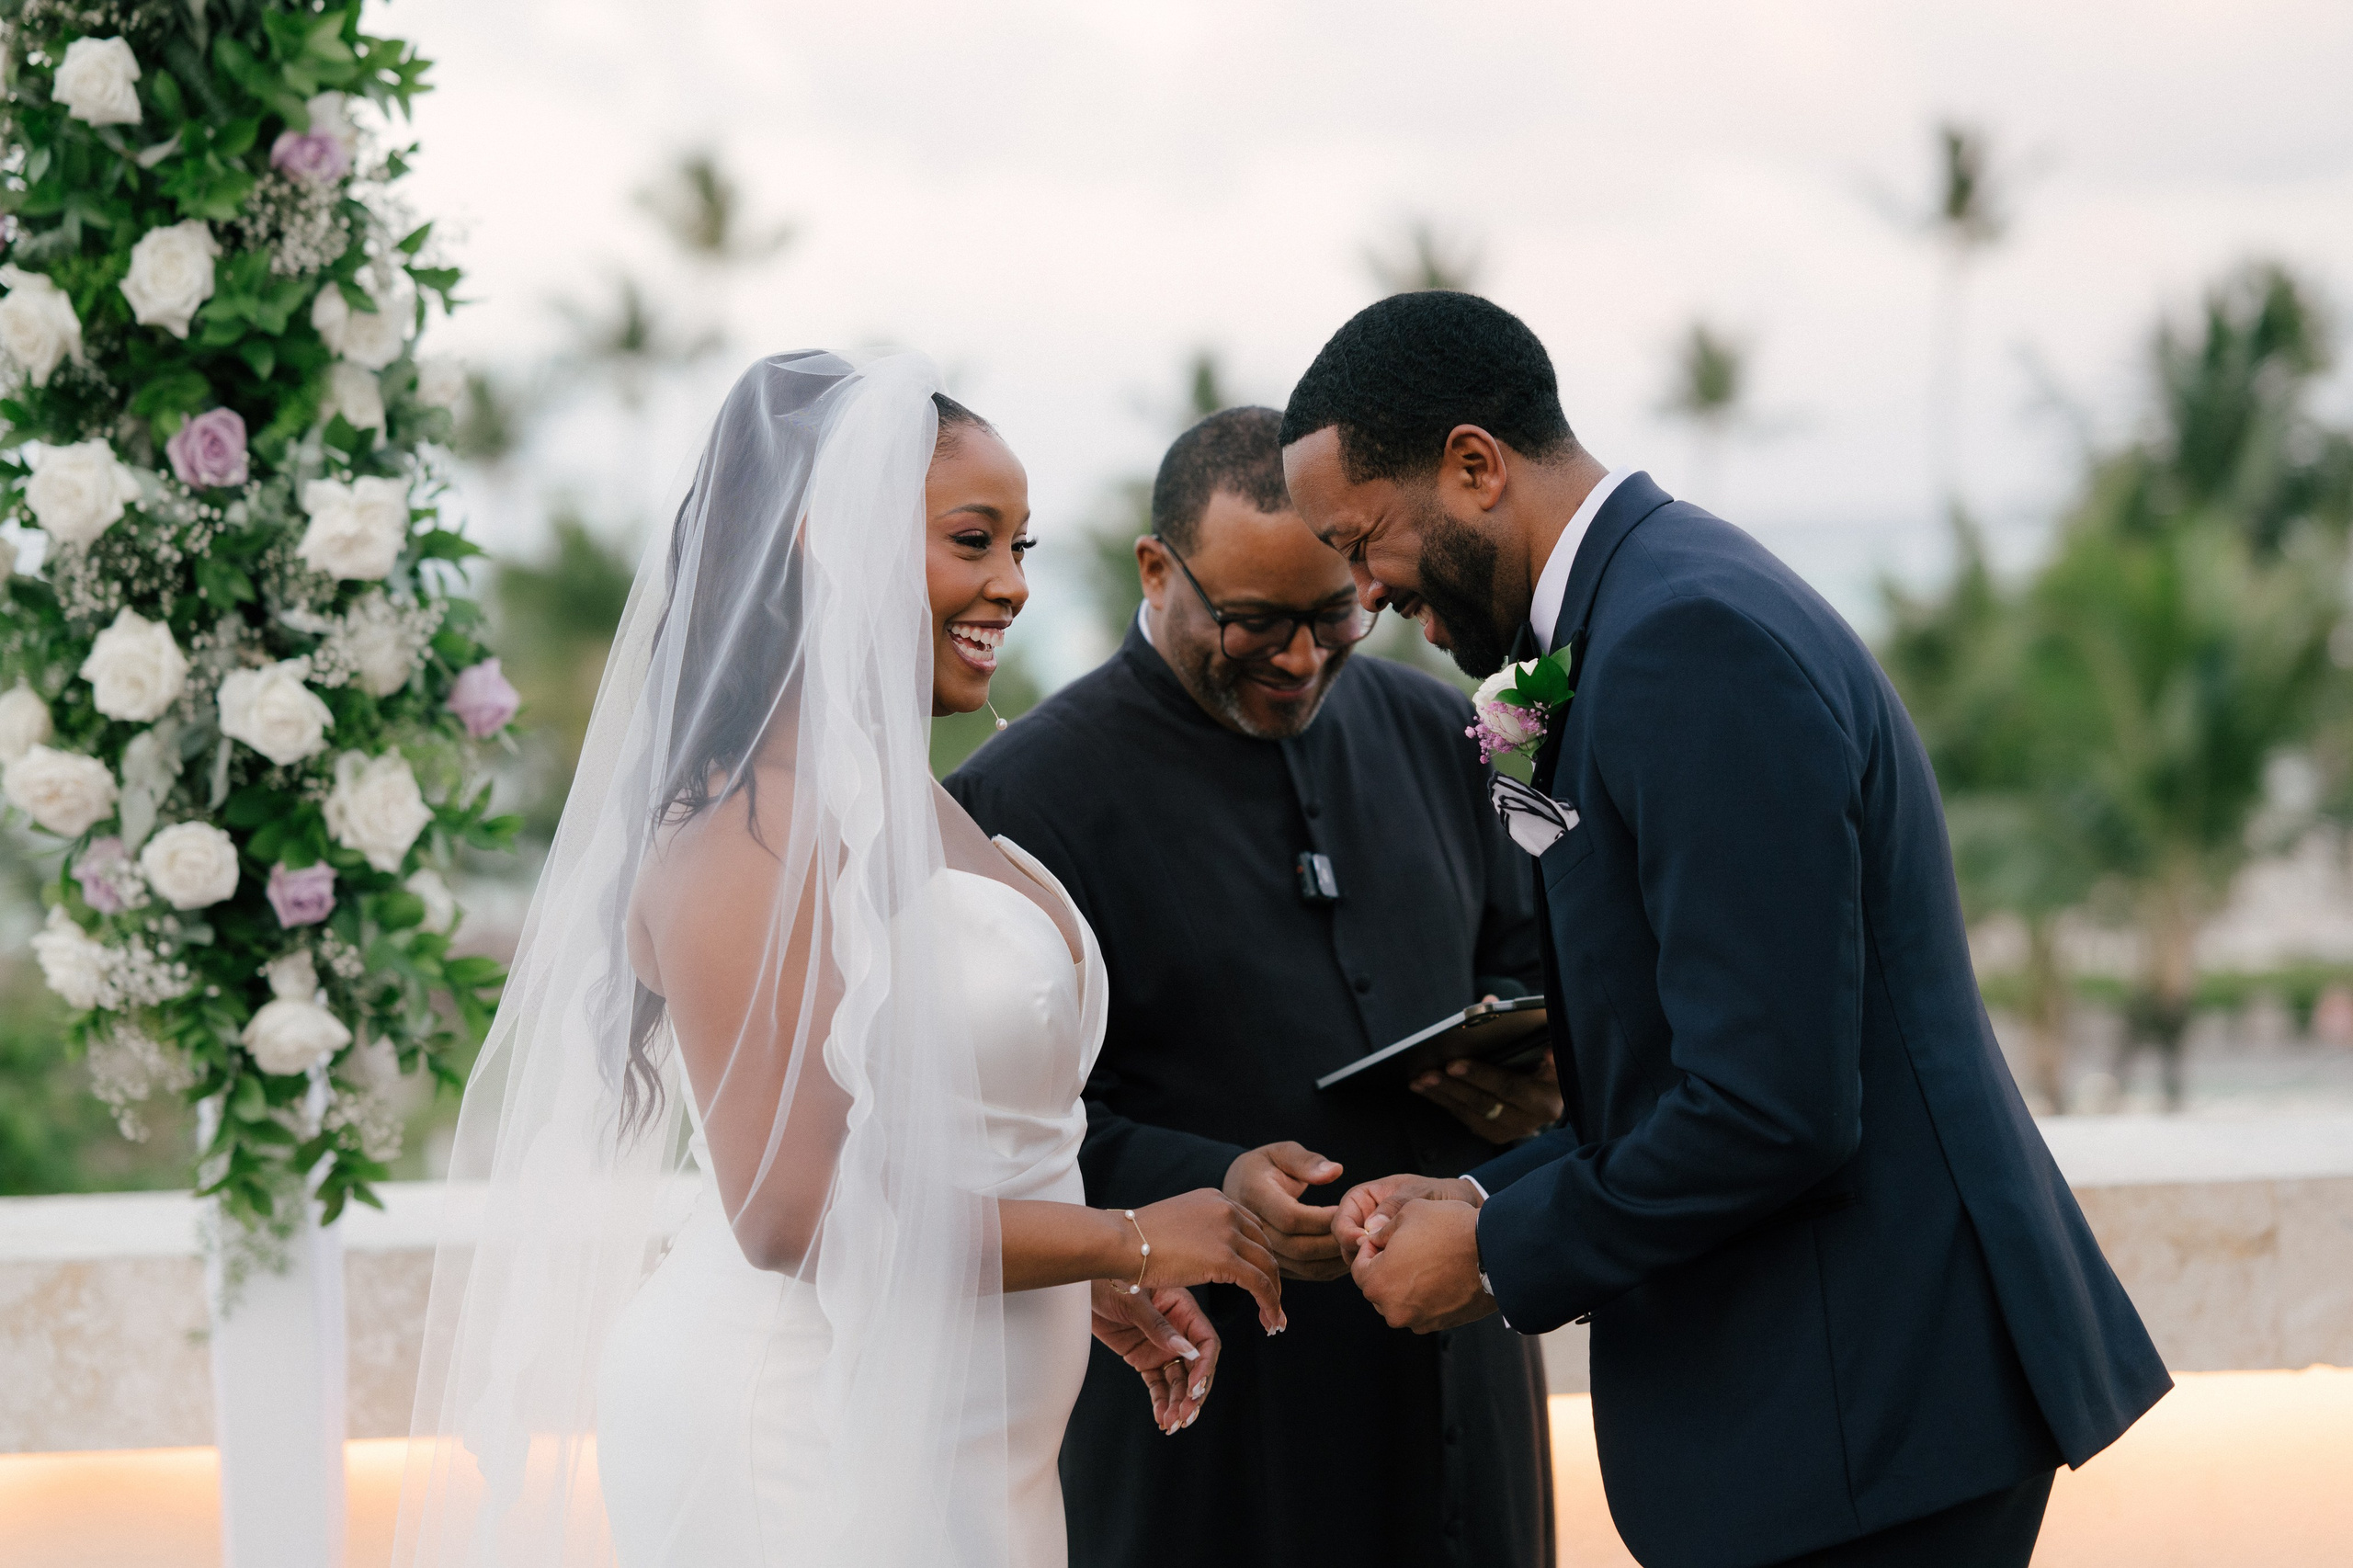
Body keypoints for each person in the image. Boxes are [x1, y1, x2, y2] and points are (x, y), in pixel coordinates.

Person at [1279, 293, 2172, 1568]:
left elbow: (1772, 1104)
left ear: (1475, 465)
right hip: (1842, 1405)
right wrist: (1475, 1185)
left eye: (1359, 541)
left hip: (1863, 1415)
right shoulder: (1645, 608)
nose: (1358, 593)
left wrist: (1494, 1249)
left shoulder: (1685, 640)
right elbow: (1682, 1060)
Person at [394, 353, 1289, 1568]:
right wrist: (1128, 1237)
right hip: (798, 1427)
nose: (1010, 584)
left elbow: (957, 1129)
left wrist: (1063, 1278)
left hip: (973, 1430)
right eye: (973, 540)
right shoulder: (745, 824)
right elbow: (794, 1209)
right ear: (831, 539)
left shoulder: (912, 796)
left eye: (1022, 547)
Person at [947, 406, 1557, 1568]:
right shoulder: (1017, 802)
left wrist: (1526, 1076)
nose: (1298, 658)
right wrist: (1211, 1175)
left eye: (1336, 617)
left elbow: (1525, 960)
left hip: (1455, 1373)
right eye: (1253, 622)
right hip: (1204, 1400)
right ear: (1155, 569)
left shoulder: (1443, 731)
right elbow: (998, 1133)